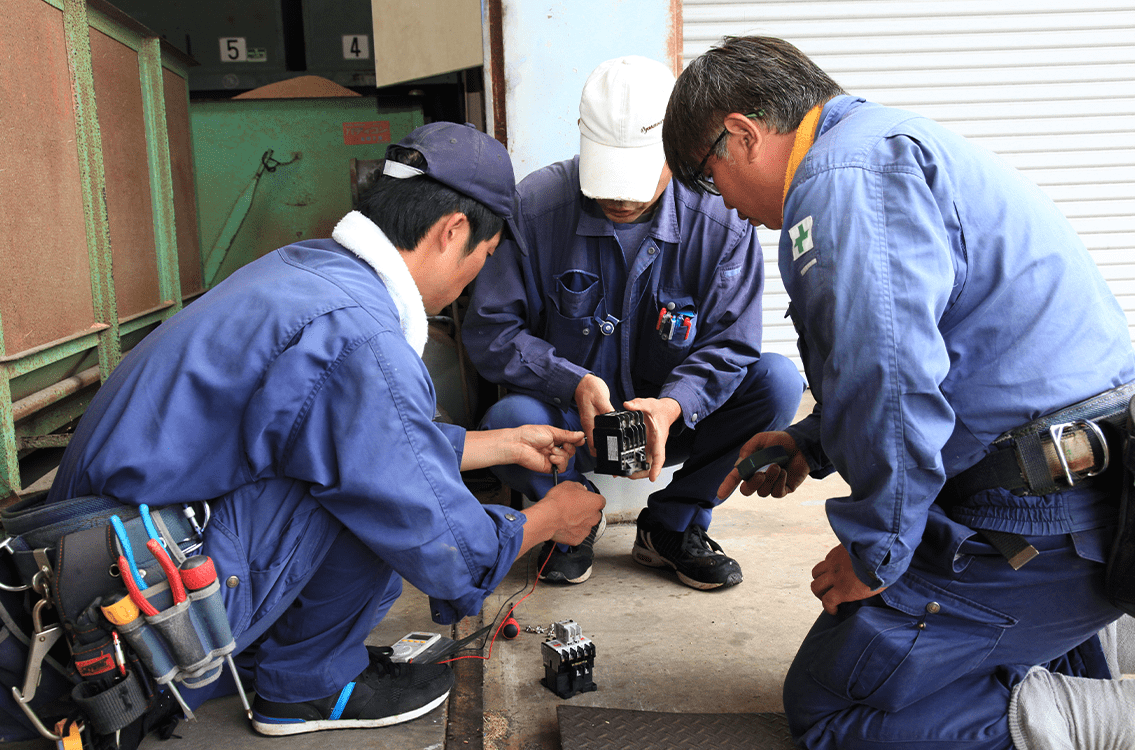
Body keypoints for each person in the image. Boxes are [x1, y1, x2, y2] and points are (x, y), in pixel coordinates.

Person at [44, 122, 605, 737]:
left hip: (100, 566)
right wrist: (552, 518)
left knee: (358, 461)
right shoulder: (360, 335)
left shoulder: (308, 271)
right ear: (453, 232)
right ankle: (308, 686)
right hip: (131, 614)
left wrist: (494, 445)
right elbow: (447, 544)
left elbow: (353, 432)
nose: (470, 282)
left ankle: (276, 661)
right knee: (372, 494)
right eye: (483, 259)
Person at [663, 35, 1135, 750]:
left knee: (830, 707)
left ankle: (1103, 719)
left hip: (1042, 517)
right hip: (1078, 484)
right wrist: (812, 440)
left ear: (741, 134)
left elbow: (888, 379)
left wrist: (874, 550)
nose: (724, 208)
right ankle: (1074, 653)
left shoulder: (839, 180)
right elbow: (925, 349)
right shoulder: (882, 144)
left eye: (707, 178)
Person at [463, 55, 804, 590]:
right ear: (582, 143)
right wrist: (571, 381)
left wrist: (672, 406)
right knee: (506, 417)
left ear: (677, 149)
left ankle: (671, 527)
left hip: (675, 426)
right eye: (607, 178)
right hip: (566, 424)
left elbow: (732, 344)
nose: (621, 196)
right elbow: (491, 331)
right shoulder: (535, 207)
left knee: (777, 381)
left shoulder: (720, 221)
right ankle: (572, 520)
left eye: (636, 178)